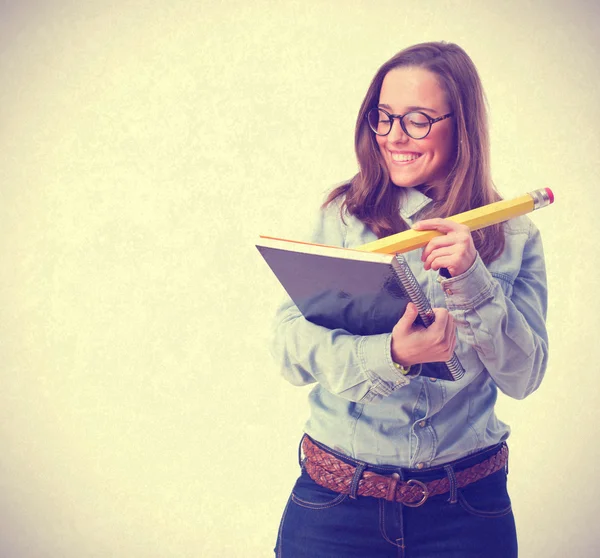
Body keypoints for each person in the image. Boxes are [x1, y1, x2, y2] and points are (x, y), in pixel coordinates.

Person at [270, 41, 548, 558]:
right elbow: (289, 350)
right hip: (335, 505)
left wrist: (472, 280)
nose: (395, 137)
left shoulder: (513, 233)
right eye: (384, 116)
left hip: (467, 510)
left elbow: (524, 377)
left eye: (417, 120)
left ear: (460, 125)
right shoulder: (342, 215)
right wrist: (391, 356)